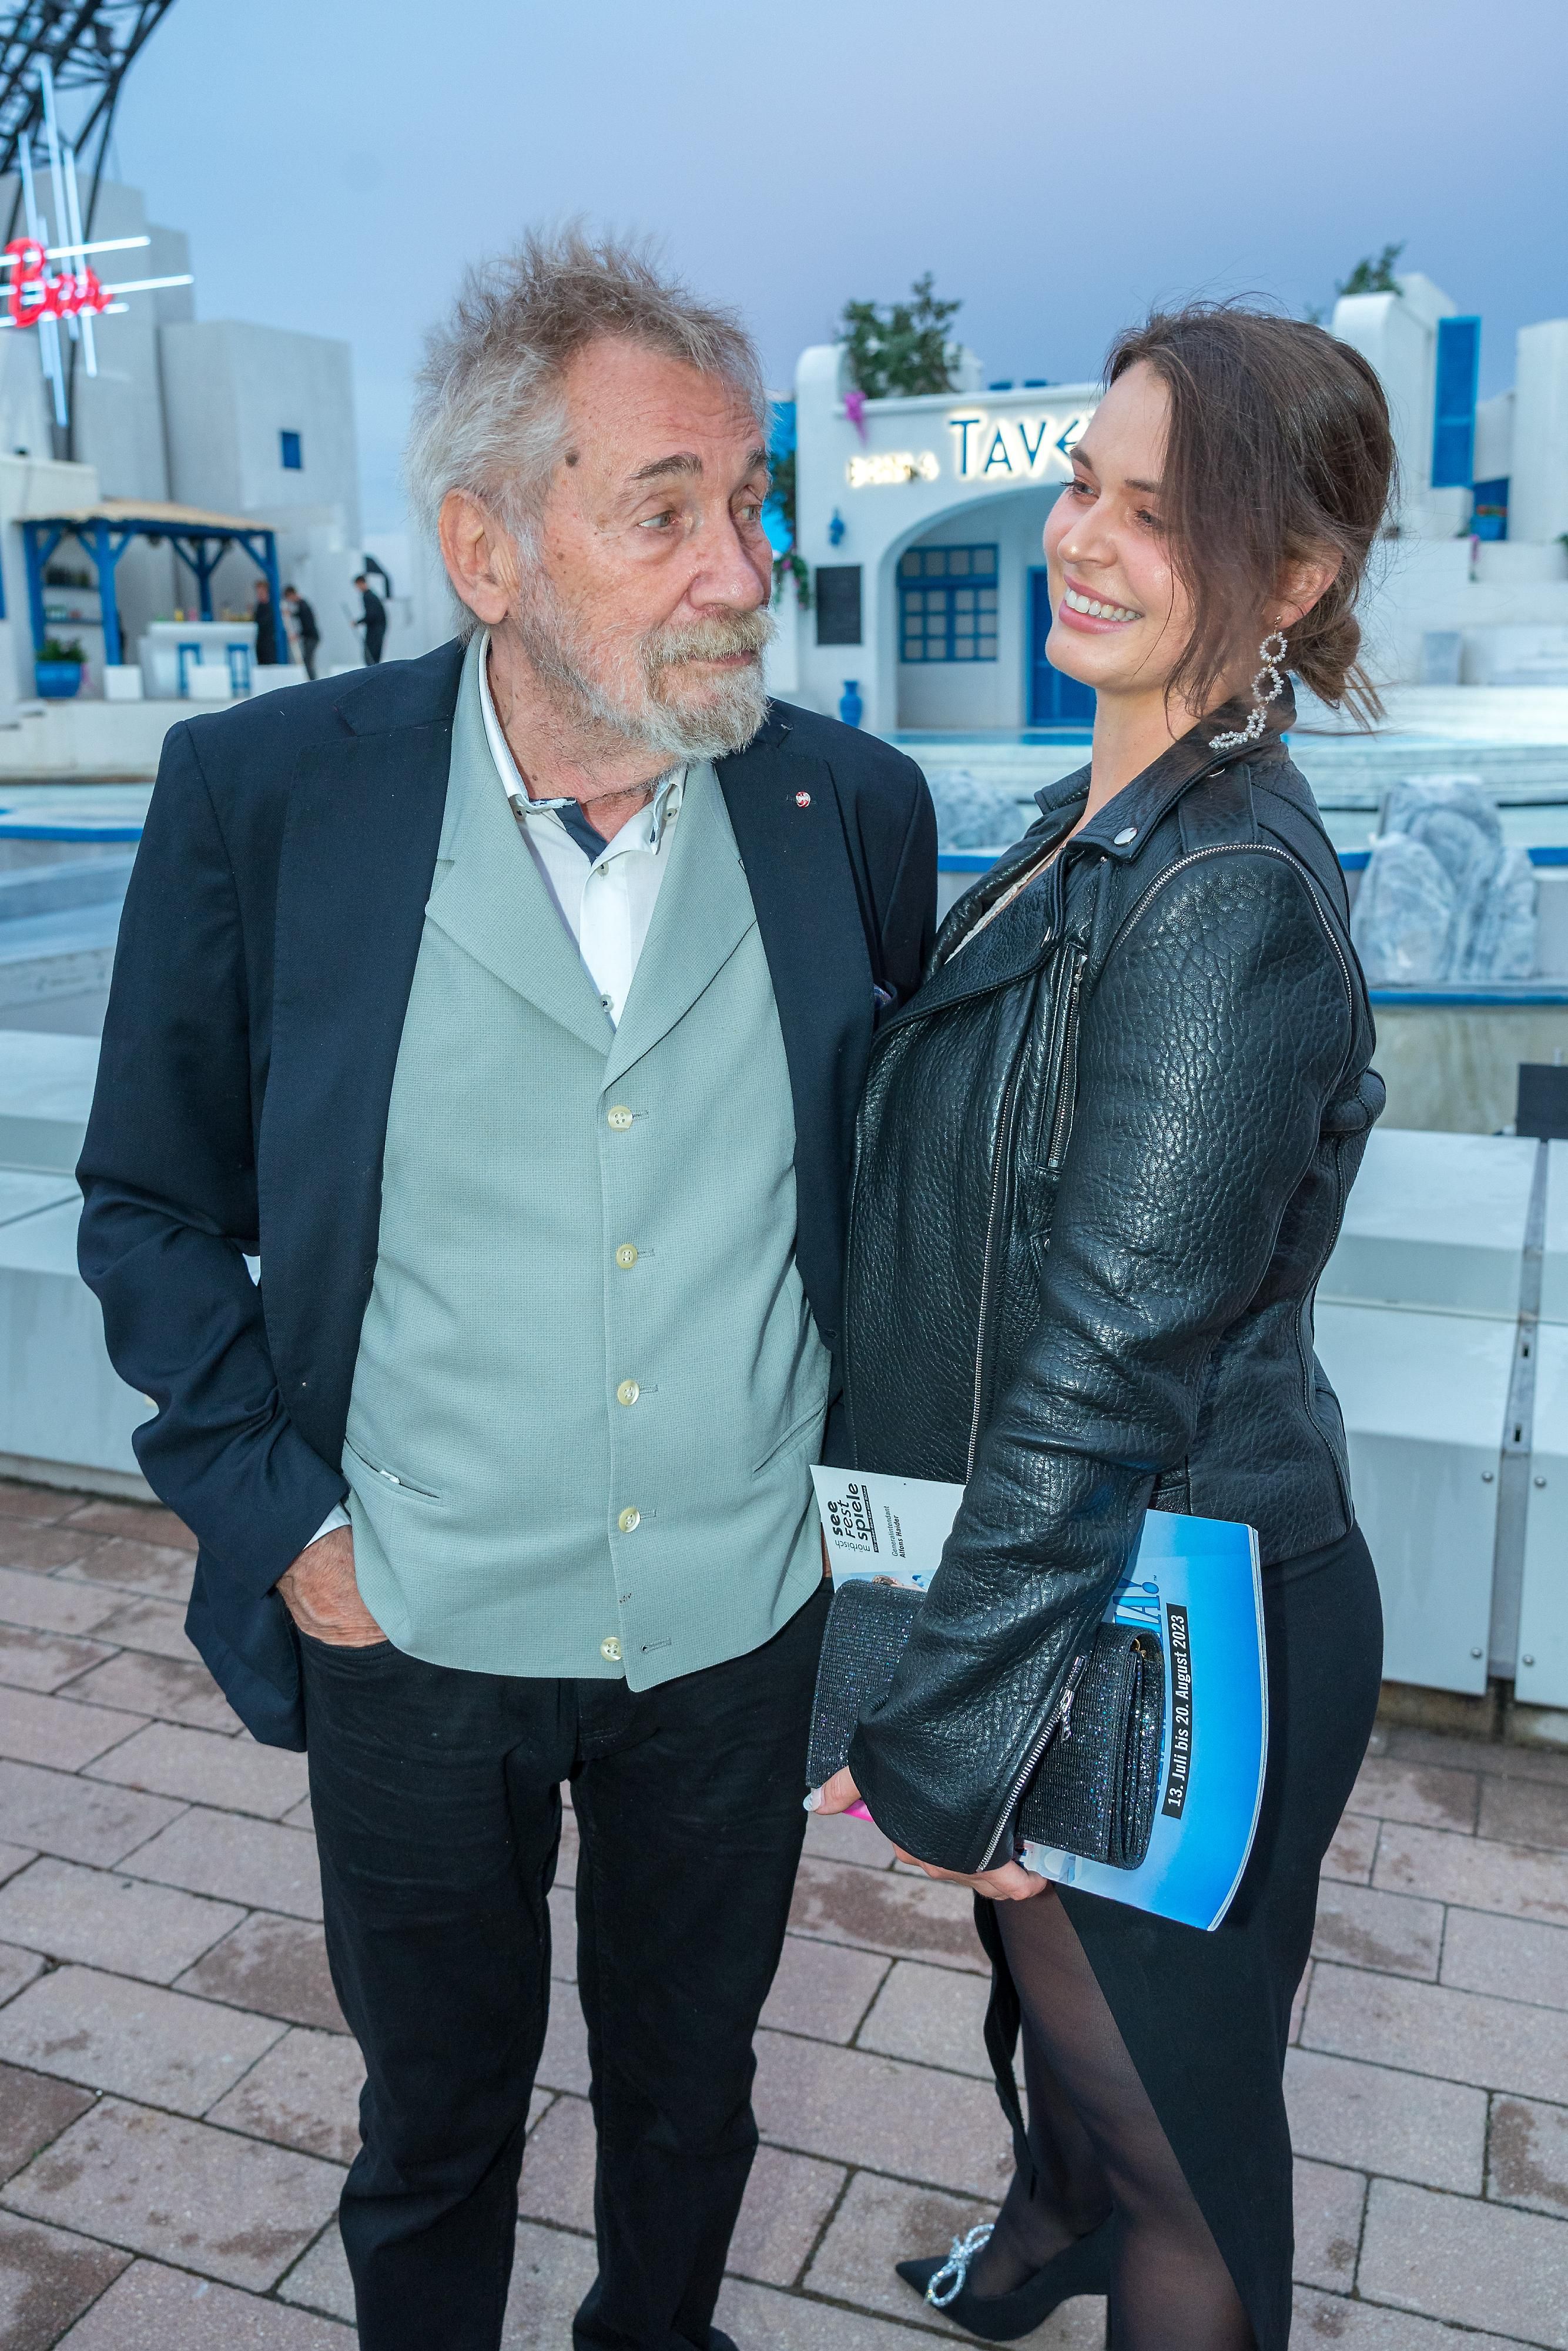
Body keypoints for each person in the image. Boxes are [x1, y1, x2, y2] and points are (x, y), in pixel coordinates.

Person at [76, 230, 936, 2351]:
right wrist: (293, 1529)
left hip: (739, 1631)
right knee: (433, 2118)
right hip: (412, 1628)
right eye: (666, 510)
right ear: (482, 545)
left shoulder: (856, 810)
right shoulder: (267, 800)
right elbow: (147, 1204)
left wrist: (885, 1588)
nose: (740, 567)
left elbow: (902, 1229)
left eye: (749, 505)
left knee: (691, 2095)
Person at [814, 304, 1394, 2351]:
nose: (1081, 537)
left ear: (1292, 579)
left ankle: (1104, 2232)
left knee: (1184, 2169)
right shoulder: (1099, 820)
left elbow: (1098, 1374)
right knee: (1060, 2027)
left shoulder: (1214, 896)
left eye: (1156, 513)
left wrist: (939, 1734)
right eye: (1082, 482)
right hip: (1079, 1577)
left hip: (1162, 1614)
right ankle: (1042, 2224)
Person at [284, 582, 320, 678]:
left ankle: (313, 683)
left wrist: (297, 636)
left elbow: (307, 625)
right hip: (310, 637)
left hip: (311, 638)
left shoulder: (303, 605)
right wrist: (291, 614)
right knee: (308, 661)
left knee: (308, 661)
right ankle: (312, 681)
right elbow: (300, 615)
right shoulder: (302, 604)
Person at [354, 569, 387, 662]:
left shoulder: (368, 596)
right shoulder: (372, 595)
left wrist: (358, 622)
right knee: (375, 658)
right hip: (379, 629)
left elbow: (371, 615)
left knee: (370, 657)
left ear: (361, 583)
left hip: (374, 631)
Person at [252, 577, 279, 666]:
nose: (259, 595)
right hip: (260, 643)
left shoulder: (271, 607)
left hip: (269, 643)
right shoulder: (259, 607)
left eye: (261, 592)